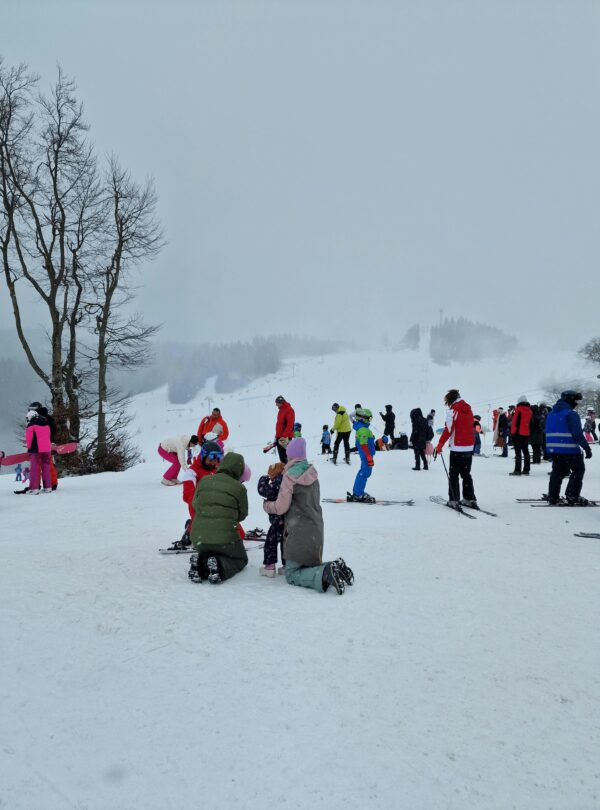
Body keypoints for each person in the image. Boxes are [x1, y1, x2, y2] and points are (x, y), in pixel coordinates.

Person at [262, 438, 353, 594]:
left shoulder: (289, 476)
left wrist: (267, 506)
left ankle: (325, 572)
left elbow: (281, 507)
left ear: (290, 456)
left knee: (292, 574)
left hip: (299, 530)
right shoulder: (312, 472)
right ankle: (334, 566)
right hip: (316, 528)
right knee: (308, 566)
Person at [188, 452, 249, 583]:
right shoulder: (239, 488)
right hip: (225, 540)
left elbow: (195, 504)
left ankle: (200, 564)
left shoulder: (204, 481)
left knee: (210, 552)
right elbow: (242, 515)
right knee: (240, 559)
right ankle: (220, 566)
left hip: (199, 539)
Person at [545, 390, 592, 505]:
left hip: (554, 449)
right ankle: (572, 495)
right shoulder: (570, 414)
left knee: (558, 472)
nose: (577, 403)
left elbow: (546, 431)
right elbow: (577, 434)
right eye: (575, 401)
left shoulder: (551, 414)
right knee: (578, 470)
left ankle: (553, 496)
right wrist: (586, 447)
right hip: (570, 449)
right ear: (570, 400)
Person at [434, 389, 477, 508]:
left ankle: (454, 500)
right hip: (469, 448)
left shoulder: (453, 410)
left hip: (457, 448)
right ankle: (469, 498)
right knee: (466, 474)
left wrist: (440, 445)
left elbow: (448, 429)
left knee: (453, 474)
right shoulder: (468, 409)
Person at [257, 462, 286, 577]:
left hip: (278, 519)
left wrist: (263, 479)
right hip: (285, 519)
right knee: (284, 541)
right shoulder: (286, 481)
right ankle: (286, 565)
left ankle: (270, 566)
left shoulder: (279, 481)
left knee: (271, 541)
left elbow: (263, 490)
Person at [182, 440, 224, 521]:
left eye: (216, 460)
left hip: (218, 508)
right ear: (203, 456)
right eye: (210, 460)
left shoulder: (216, 469)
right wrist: (204, 504)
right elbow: (188, 494)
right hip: (200, 510)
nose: (213, 463)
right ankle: (191, 529)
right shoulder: (192, 472)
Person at [348, 408, 377, 503]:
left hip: (364, 455)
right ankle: (358, 494)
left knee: (362, 473)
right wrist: (369, 457)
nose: (370, 421)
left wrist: (356, 412)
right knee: (365, 473)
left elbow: (350, 417)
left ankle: (357, 492)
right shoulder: (364, 429)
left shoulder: (358, 426)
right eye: (369, 419)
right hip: (366, 456)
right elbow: (364, 444)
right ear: (364, 418)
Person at [25, 408, 52, 494]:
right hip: (47, 449)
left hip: (36, 449)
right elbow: (48, 437)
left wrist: (29, 449)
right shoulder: (46, 425)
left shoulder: (30, 426)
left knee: (35, 469)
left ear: (29, 417)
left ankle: (35, 488)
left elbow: (29, 439)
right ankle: (48, 487)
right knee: (46, 468)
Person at [510, 396, 532, 476]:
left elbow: (515, 422)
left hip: (518, 433)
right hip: (526, 433)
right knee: (526, 451)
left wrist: (512, 433)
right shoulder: (530, 410)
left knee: (518, 452)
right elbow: (530, 423)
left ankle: (517, 470)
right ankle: (526, 469)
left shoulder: (518, 409)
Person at [274, 395, 295, 463]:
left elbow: (290, 424)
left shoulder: (289, 410)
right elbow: (280, 424)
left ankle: (289, 471)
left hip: (285, 437)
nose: (276, 405)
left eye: (277, 403)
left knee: (286, 456)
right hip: (279, 436)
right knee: (282, 456)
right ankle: (285, 471)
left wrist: (284, 436)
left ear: (281, 402)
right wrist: (276, 436)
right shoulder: (281, 410)